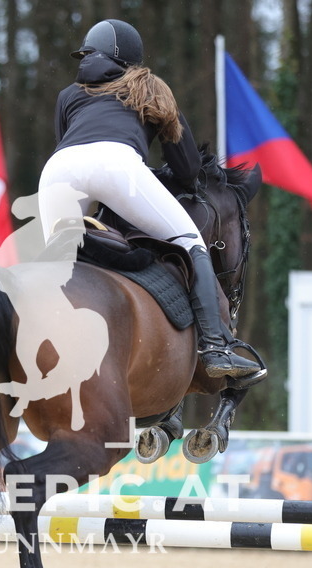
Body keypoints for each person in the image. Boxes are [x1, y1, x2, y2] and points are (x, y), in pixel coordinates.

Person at [38, 18, 262, 379]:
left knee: (57, 263)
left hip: (57, 171)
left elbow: (71, 144)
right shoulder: (151, 88)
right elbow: (187, 168)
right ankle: (216, 348)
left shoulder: (69, 94)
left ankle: (34, 345)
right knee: (192, 243)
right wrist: (159, 176)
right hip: (117, 166)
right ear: (132, 58)